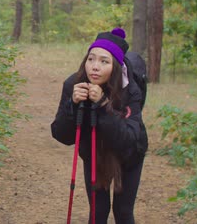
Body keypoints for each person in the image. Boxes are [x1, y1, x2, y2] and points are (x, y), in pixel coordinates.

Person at [51, 28, 148, 224]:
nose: (95, 67)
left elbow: (128, 140)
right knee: (97, 211)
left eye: (104, 61)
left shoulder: (130, 91)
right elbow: (61, 134)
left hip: (130, 155)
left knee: (123, 211)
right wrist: (73, 105)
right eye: (91, 59)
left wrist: (104, 106)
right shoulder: (74, 84)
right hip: (94, 153)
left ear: (116, 67)